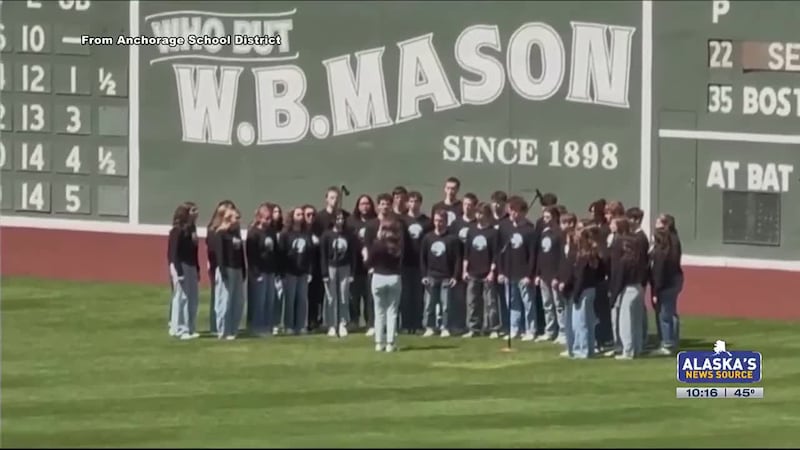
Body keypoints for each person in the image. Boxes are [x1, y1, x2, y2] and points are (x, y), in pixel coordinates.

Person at [496, 196, 537, 340]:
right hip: (508, 271)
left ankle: (530, 330)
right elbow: (499, 250)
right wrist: (500, 271)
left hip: (523, 272)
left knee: (528, 303)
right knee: (512, 303)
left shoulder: (529, 229)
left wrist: (529, 275)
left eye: (516, 211)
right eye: (511, 210)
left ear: (524, 212)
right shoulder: (504, 227)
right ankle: (515, 328)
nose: (513, 214)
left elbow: (532, 254)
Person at [560, 226, 604, 359]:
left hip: (582, 291)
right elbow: (600, 274)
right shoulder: (593, 255)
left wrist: (576, 295)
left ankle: (581, 349)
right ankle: (589, 348)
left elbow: (579, 277)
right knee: (589, 322)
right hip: (591, 289)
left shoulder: (581, 257)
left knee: (579, 323)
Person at [608, 220, 647, 359]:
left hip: (628, 290)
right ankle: (637, 348)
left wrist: (613, 297)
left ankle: (628, 350)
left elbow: (619, 280)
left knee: (626, 322)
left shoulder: (624, 262)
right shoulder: (638, 260)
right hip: (638, 288)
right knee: (636, 321)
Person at [365, 214, 405, 352]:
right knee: (392, 312)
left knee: (379, 311)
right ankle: (390, 343)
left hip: (378, 277)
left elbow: (369, 263)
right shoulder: (397, 245)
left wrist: (366, 256)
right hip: (394, 277)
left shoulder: (377, 244)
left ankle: (378, 342)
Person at [420, 209, 461, 337]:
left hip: (447, 277)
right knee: (429, 304)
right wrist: (424, 275)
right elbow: (423, 258)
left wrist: (455, 276)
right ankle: (430, 327)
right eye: (436, 220)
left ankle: (445, 327)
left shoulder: (452, 239)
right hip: (431, 276)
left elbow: (457, 259)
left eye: (441, 221)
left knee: (446, 305)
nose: (438, 223)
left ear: (446, 222)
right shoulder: (428, 238)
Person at [463, 202, 500, 338]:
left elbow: (496, 254)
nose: (479, 216)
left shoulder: (493, 233)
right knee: (472, 301)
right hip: (473, 271)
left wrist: (492, 272)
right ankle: (473, 328)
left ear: (487, 215)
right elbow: (466, 253)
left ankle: (493, 328)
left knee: (490, 302)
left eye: (482, 213)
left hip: (487, 272)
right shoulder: (471, 231)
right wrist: (464, 270)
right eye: (477, 213)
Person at [320, 210, 357, 337]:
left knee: (343, 296)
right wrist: (324, 273)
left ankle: (342, 323)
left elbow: (353, 254)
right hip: (331, 268)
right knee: (331, 297)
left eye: (342, 218)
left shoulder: (348, 235)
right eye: (338, 218)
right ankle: (331, 324)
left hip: (345, 267)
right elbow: (323, 255)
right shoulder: (327, 235)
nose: (340, 221)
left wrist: (352, 272)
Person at [363, 193, 396, 336]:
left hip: (392, 268)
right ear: (378, 206)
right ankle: (373, 325)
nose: (385, 206)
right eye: (382, 204)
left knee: (391, 303)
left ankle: (390, 328)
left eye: (388, 204)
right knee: (374, 299)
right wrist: (369, 264)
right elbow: (366, 245)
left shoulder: (396, 224)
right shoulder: (371, 225)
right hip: (375, 267)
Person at [650, 219, 684, 355]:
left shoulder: (660, 254)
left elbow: (658, 275)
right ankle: (672, 341)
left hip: (666, 285)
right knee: (671, 313)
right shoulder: (672, 246)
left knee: (664, 314)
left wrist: (655, 292)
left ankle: (667, 343)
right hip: (674, 281)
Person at [246, 203, 280, 337]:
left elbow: (276, 251)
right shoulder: (253, 233)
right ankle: (257, 326)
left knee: (269, 299)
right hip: (259, 272)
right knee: (258, 301)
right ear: (259, 218)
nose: (269, 221)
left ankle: (268, 325)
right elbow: (251, 255)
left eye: (270, 218)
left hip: (270, 271)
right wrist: (255, 272)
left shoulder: (271, 232)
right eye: (266, 218)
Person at [167, 201, 200, 340]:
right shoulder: (177, 230)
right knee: (181, 297)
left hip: (191, 265)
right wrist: (179, 271)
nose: (197, 213)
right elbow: (173, 253)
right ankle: (179, 328)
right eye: (193, 210)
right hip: (180, 265)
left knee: (192, 297)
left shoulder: (192, 229)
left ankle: (190, 327)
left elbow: (194, 252)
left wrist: (197, 268)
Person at [280, 207, 314, 335]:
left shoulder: (307, 233)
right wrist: (282, 272)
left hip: (303, 271)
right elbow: (282, 254)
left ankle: (301, 325)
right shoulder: (286, 234)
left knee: (302, 299)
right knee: (290, 299)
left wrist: (309, 271)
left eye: (302, 214)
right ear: (292, 216)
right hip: (290, 271)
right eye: (298, 214)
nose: (301, 216)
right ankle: (289, 325)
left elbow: (310, 254)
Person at [402, 191, 432, 334]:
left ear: (420, 203)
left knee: (419, 296)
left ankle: (418, 324)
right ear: (407, 203)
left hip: (421, 265)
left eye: (416, 201)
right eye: (411, 201)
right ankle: (407, 324)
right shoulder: (402, 221)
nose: (414, 204)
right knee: (406, 295)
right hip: (405, 263)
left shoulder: (426, 222)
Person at [215, 206, 246, 340]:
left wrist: (243, 269)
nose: (238, 220)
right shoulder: (221, 233)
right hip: (227, 268)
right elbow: (220, 254)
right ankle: (223, 330)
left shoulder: (236, 233)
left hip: (237, 269)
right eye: (236, 217)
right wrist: (223, 271)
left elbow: (240, 253)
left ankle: (233, 329)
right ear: (229, 219)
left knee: (238, 300)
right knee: (225, 300)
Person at [535, 205, 565, 343]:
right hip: (544, 274)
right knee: (547, 304)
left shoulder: (559, 233)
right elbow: (540, 254)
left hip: (554, 274)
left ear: (555, 217)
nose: (545, 220)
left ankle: (563, 332)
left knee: (559, 305)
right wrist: (538, 273)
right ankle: (550, 330)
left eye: (548, 217)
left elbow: (561, 257)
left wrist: (558, 276)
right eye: (544, 217)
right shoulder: (544, 232)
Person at [347, 194, 377, 333]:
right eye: (362, 204)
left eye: (367, 203)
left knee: (370, 296)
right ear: (358, 206)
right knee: (354, 296)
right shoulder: (351, 222)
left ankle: (370, 322)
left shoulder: (375, 222)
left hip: (371, 266)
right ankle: (354, 320)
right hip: (355, 265)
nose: (364, 206)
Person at [205, 200, 235, 334]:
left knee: (225, 297)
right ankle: (216, 326)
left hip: (228, 265)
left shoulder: (232, 230)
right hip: (217, 265)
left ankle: (224, 325)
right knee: (218, 296)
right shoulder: (213, 230)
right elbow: (213, 249)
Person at [304, 205, 324, 331]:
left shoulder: (319, 231)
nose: (311, 217)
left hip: (317, 268)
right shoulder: (300, 232)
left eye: (313, 215)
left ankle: (315, 321)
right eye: (308, 215)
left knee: (316, 297)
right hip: (303, 269)